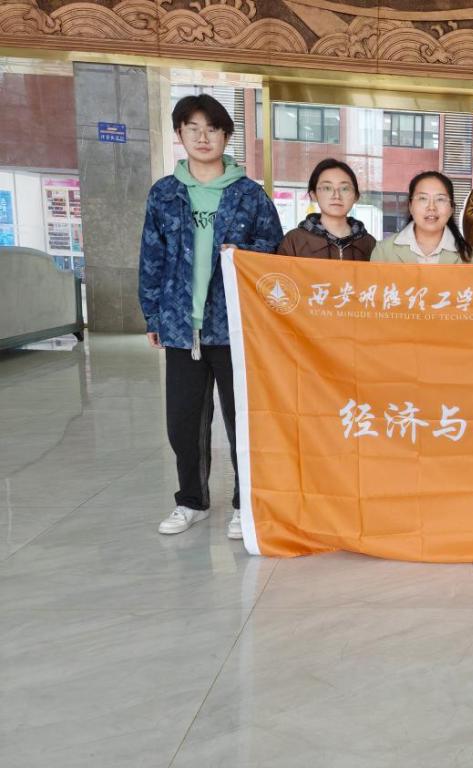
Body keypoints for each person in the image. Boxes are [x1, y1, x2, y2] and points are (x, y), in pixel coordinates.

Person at [139, 94, 283, 539]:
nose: (203, 137)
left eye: (212, 129)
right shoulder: (165, 193)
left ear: (226, 135)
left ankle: (244, 503)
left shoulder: (249, 195)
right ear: (179, 134)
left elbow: (274, 251)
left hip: (235, 326)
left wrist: (243, 251)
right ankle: (191, 501)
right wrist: (152, 315)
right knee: (183, 421)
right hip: (182, 325)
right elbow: (151, 256)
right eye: (193, 128)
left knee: (242, 421)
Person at [371, 171, 473, 264]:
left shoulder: (470, 257)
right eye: (422, 198)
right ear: (410, 206)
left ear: (451, 209)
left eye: (440, 199)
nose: (431, 207)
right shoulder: (383, 251)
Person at [278, 159, 375, 260]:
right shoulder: (294, 241)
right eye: (327, 188)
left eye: (344, 188)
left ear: (356, 196)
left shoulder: (370, 244)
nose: (336, 196)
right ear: (314, 195)